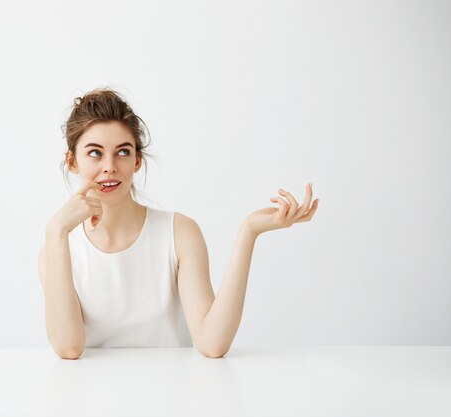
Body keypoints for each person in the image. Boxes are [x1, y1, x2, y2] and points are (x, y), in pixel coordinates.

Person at [38, 87, 319, 360]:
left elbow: (212, 343)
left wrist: (249, 232)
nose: (110, 166)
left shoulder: (179, 233)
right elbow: (68, 348)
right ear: (72, 161)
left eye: (123, 152)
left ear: (137, 160)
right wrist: (56, 231)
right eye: (95, 153)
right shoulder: (58, 247)